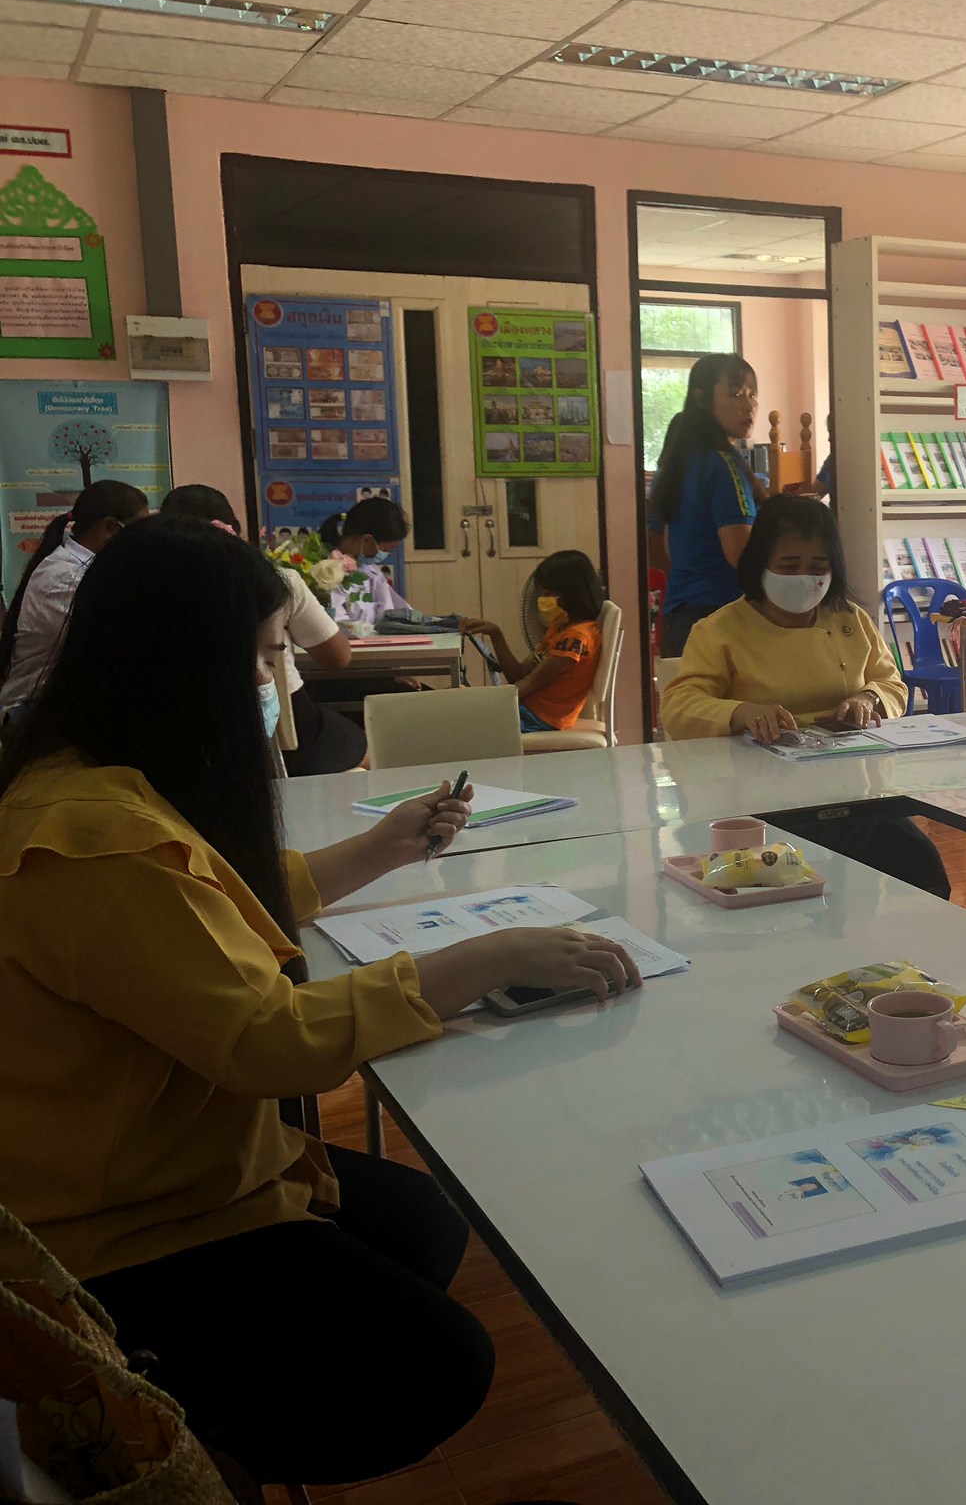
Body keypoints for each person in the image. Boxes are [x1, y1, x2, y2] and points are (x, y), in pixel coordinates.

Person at [0, 517, 643, 1486]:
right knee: (443, 1361)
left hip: (172, 1162)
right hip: (119, 1235)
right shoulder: (96, 841)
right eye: (266, 657)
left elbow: (214, 908)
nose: (279, 680)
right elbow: (271, 1043)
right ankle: (187, 1429)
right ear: (187, 664)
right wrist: (491, 956)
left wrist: (385, 846)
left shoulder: (91, 781)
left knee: (425, 1224)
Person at [660, 494, 949, 898]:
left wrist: (868, 699)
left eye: (818, 567)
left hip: (852, 789)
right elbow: (678, 707)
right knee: (811, 883)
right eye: (789, 565)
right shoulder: (719, 630)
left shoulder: (850, 619)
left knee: (921, 865)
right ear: (760, 564)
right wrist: (741, 712)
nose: (804, 578)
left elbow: (892, 684)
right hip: (761, 799)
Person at [159, 484, 368, 774]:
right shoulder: (276, 581)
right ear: (234, 530)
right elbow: (338, 657)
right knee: (365, 749)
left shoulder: (151, 590)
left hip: (180, 738)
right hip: (283, 730)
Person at [0, 479, 149, 721]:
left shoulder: (85, 568)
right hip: (30, 714)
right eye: (138, 532)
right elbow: (116, 644)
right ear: (111, 527)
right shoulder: (67, 577)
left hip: (55, 708)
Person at [649, 353, 760, 656]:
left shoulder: (680, 462)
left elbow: (664, 546)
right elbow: (743, 558)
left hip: (679, 617)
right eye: (735, 394)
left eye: (752, 395)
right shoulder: (723, 465)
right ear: (701, 398)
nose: (748, 405)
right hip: (722, 618)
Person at [461, 550, 608, 734]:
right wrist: (496, 634)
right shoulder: (560, 628)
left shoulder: (576, 639)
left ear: (572, 592)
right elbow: (518, 675)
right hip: (527, 710)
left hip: (537, 718)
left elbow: (525, 687)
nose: (543, 598)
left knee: (456, 718)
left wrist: (480, 701)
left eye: (550, 592)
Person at [319, 495, 411, 623]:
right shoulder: (323, 571)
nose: (389, 554)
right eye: (388, 549)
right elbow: (334, 624)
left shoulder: (371, 573)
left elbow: (390, 614)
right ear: (367, 540)